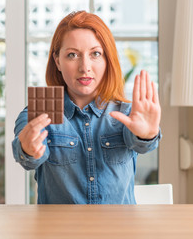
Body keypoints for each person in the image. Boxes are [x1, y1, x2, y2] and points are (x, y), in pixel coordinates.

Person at [11, 11, 162, 204]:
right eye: (72, 55)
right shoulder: (42, 110)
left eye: (95, 54)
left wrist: (147, 135)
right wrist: (27, 149)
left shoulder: (126, 113)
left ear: (108, 60)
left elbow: (142, 144)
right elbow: (27, 157)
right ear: (57, 61)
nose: (85, 66)